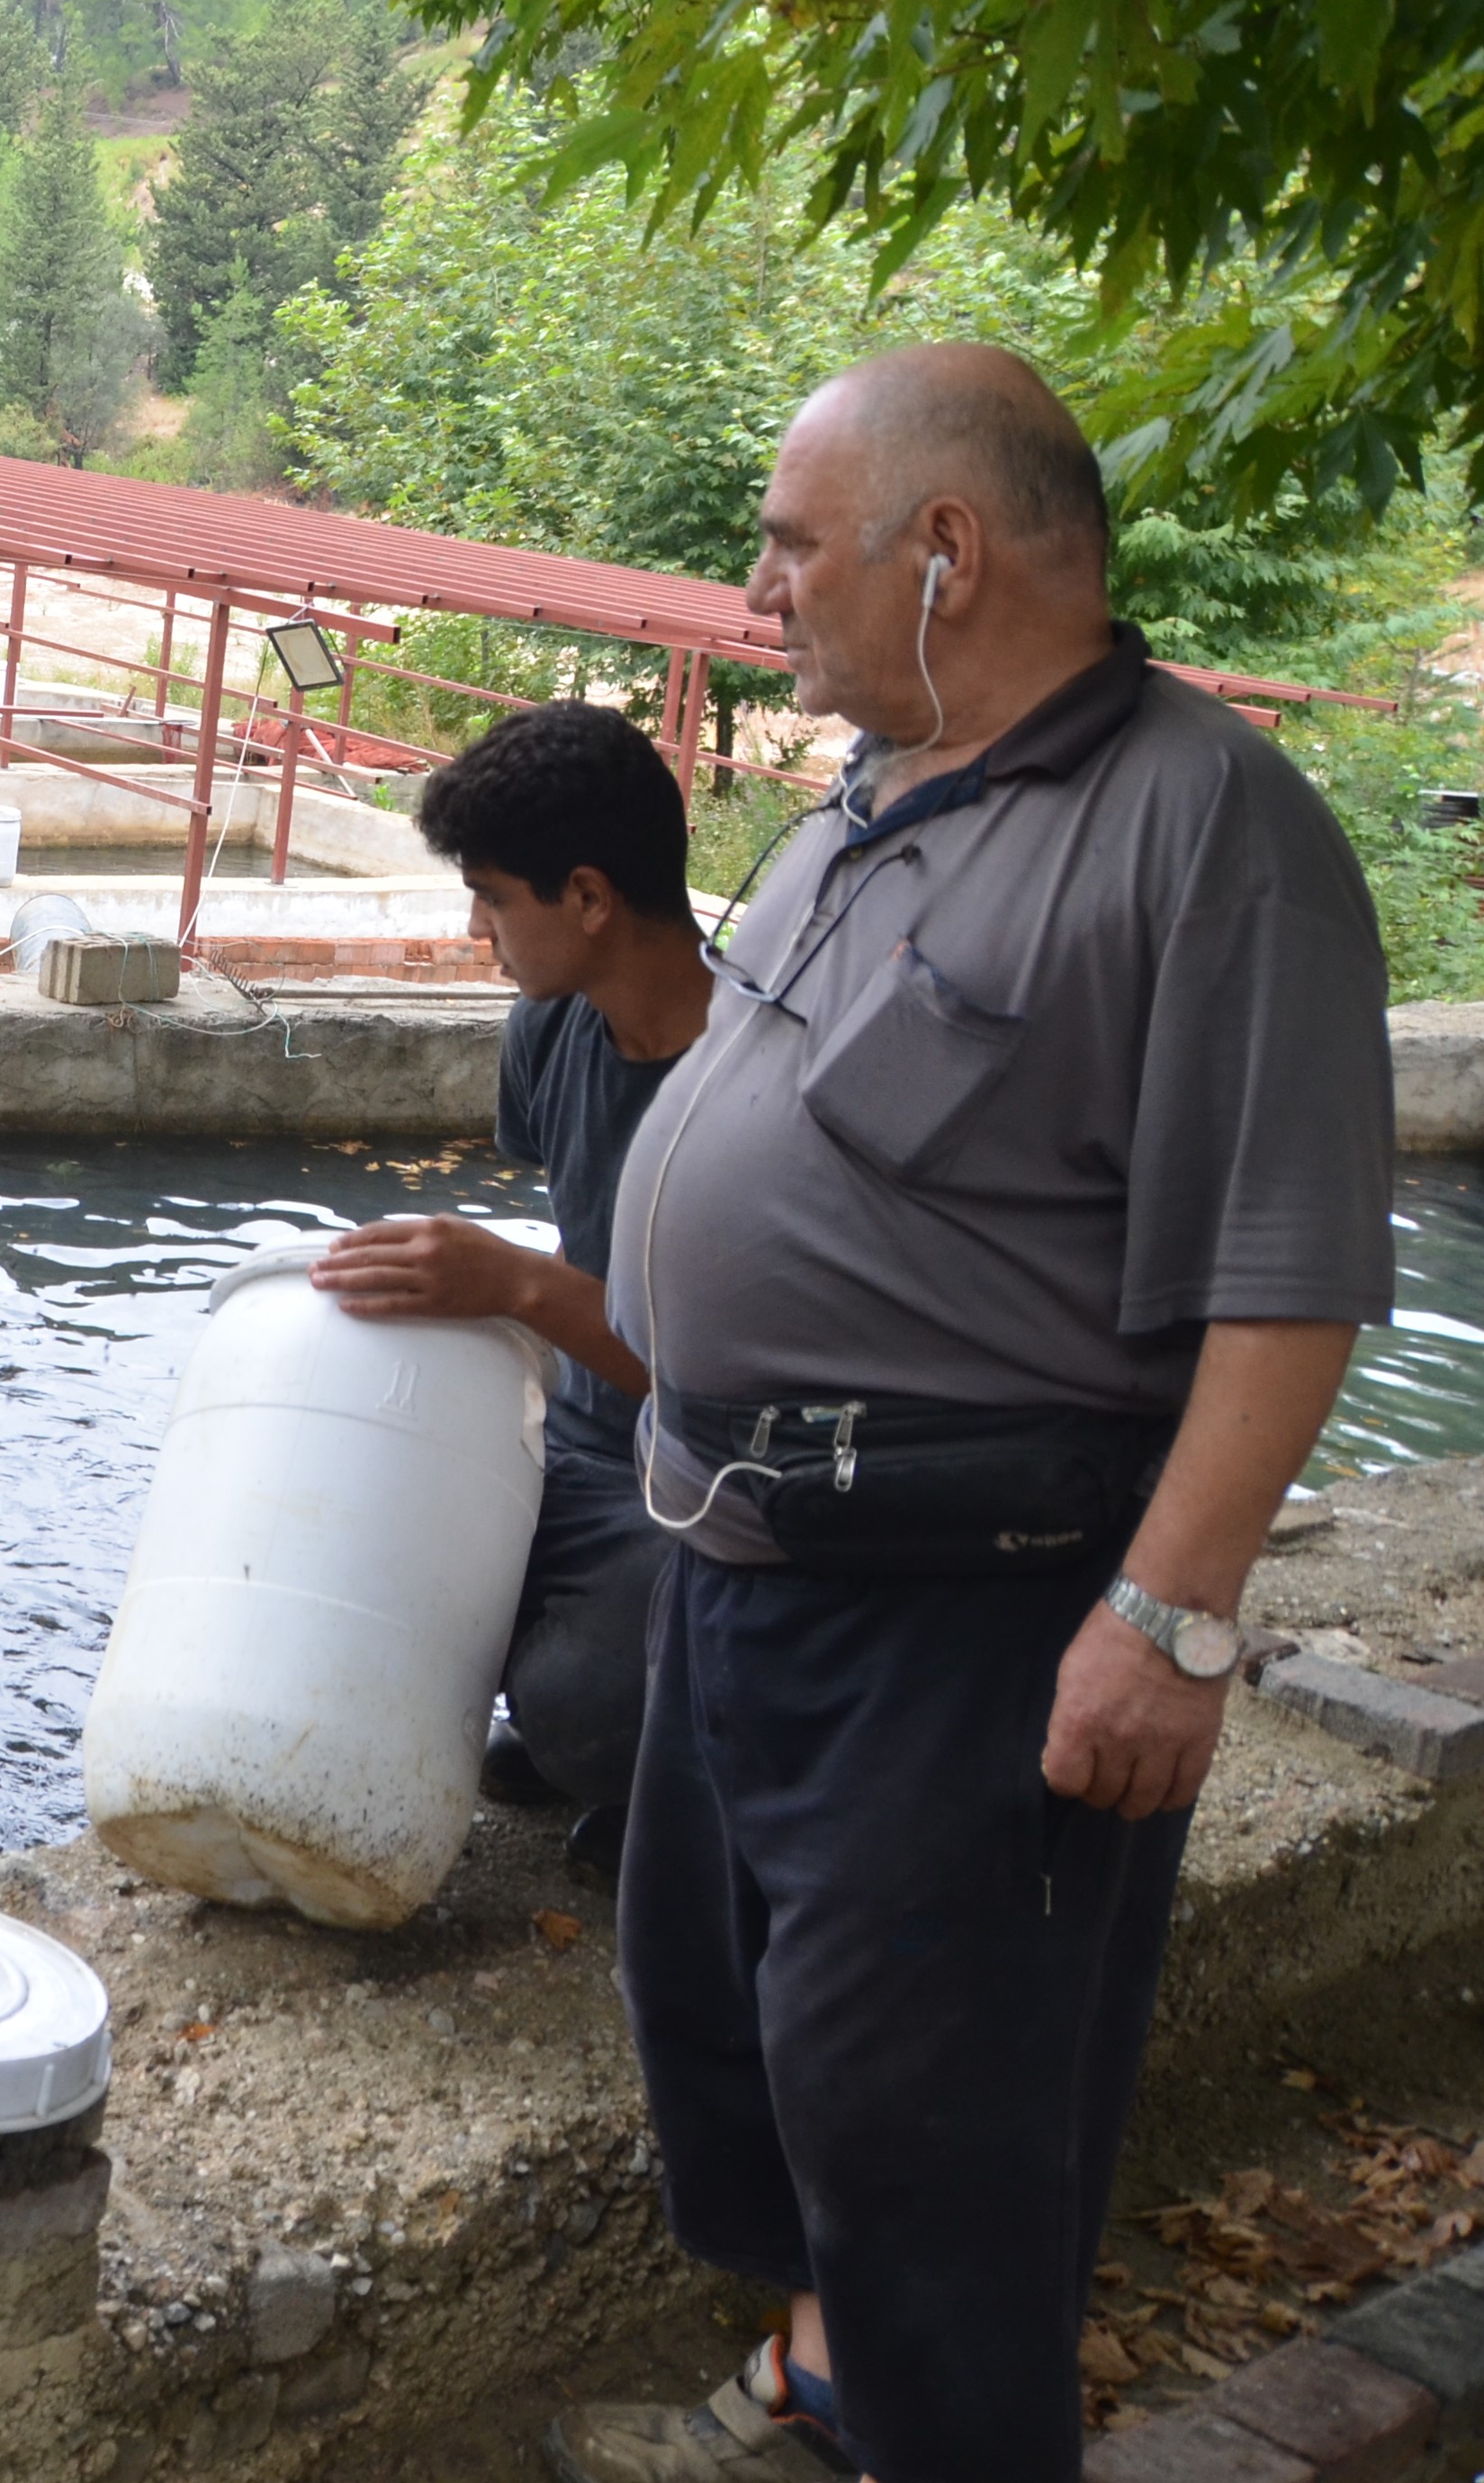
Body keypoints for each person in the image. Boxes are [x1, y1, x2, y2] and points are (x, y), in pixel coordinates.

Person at [548, 345, 1394, 2483]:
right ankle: (827, 2392)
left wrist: (1174, 1619)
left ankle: (932, 2425)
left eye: (790, 545)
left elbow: (1284, 1280)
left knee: (935, 2149)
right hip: (744, 1573)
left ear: (946, 552)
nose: (756, 588)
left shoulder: (1208, 830)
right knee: (740, 2058)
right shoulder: (864, 799)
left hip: (970, 1610)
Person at [310, 699, 711, 1860]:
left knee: (595, 1701)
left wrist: (519, 1287)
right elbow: (588, 1255)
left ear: (588, 898)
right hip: (574, 1445)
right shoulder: (552, 1029)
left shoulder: (760, 1082)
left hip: (704, 1475)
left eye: (492, 894)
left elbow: (735, 1388)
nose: (477, 925)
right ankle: (582, 1705)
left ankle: (639, 1756)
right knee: (324, 1519)